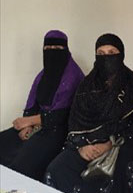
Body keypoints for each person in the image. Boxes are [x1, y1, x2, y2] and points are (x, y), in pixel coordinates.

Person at [45, 34, 133, 193]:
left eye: (112, 53)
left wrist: (110, 143)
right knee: (57, 169)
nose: (106, 58)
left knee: (117, 172)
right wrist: (82, 147)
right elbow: (75, 123)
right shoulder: (87, 85)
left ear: (121, 55)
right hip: (87, 146)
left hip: (121, 145)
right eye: (101, 53)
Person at [0, 30, 84, 180]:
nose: (52, 53)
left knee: (21, 165)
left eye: (57, 49)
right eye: (47, 49)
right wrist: (27, 125)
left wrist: (29, 121)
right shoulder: (43, 75)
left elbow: (62, 115)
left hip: (60, 130)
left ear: (66, 50)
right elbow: (33, 102)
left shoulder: (74, 76)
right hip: (37, 124)